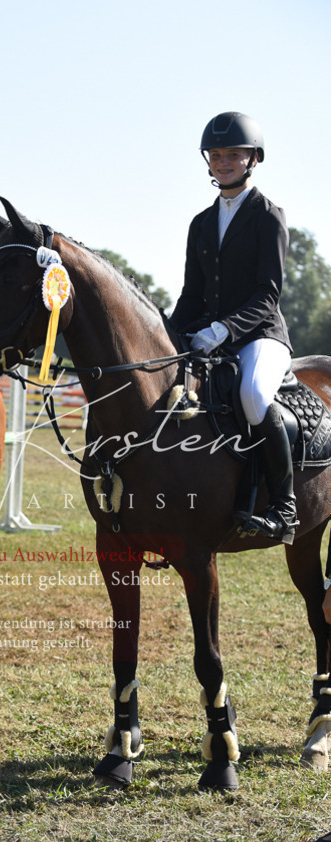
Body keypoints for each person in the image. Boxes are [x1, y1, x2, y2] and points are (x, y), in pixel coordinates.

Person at [168, 111, 297, 544]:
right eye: (216, 154)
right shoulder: (201, 222)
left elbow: (267, 294)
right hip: (208, 334)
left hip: (261, 334)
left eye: (234, 154)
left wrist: (223, 329)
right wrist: (168, 336)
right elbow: (191, 295)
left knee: (254, 394)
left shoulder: (268, 215)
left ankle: (284, 505)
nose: (223, 161)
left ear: (253, 158)